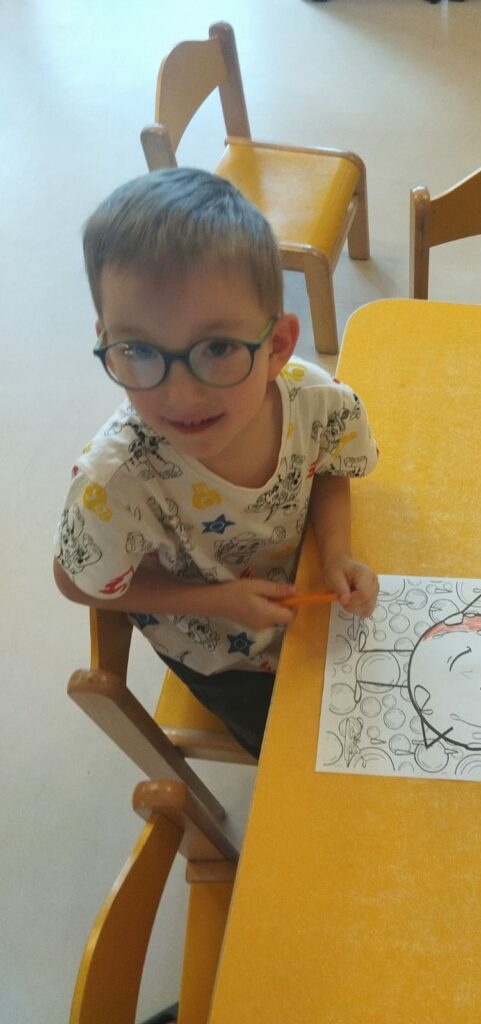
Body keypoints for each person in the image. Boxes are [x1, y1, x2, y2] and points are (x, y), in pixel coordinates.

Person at [53, 167, 379, 757]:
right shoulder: (115, 481)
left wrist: (336, 554)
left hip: (309, 599)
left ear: (277, 346)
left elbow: (330, 464)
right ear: (108, 343)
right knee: (298, 755)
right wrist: (214, 601)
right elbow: (75, 581)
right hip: (221, 653)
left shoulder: (316, 401)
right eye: (138, 349)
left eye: (219, 348)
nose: (180, 395)